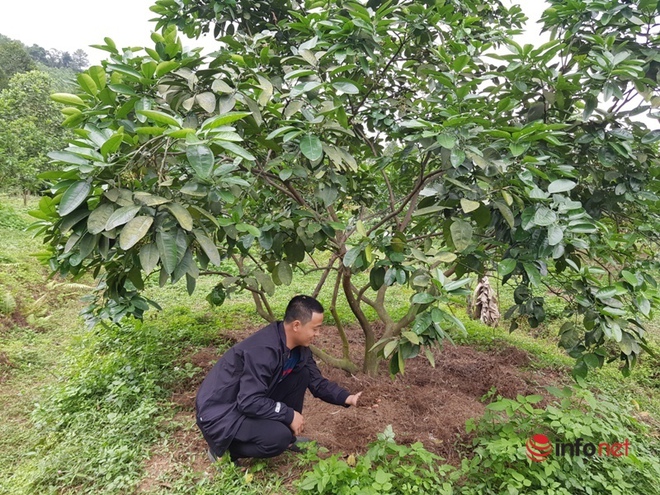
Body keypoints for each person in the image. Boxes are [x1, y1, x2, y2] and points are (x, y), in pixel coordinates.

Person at [195, 295, 362, 463]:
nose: (318, 334)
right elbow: (249, 401)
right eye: (315, 328)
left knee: (301, 374)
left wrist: (350, 398)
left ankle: (289, 439)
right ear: (297, 325)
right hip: (221, 411)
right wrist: (288, 414)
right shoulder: (263, 350)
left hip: (245, 400)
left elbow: (316, 382)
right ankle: (225, 451)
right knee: (277, 438)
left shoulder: (299, 349)